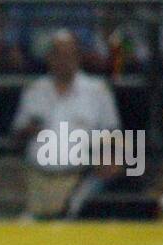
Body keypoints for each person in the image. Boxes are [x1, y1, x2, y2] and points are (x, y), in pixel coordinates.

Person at [10, 30, 121, 220]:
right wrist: (29, 130)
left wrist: (108, 158)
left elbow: (113, 135)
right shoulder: (34, 90)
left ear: (78, 57)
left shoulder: (97, 91)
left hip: (80, 179)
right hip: (38, 179)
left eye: (69, 54)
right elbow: (17, 134)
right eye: (58, 55)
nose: (64, 60)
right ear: (49, 58)